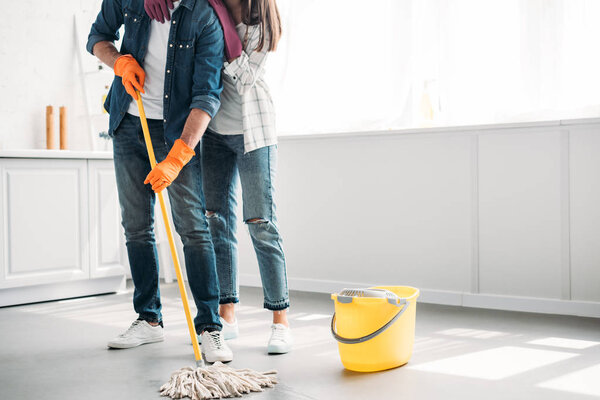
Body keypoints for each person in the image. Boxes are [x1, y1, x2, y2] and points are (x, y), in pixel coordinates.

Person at [87, 0, 233, 363]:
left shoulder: (204, 17)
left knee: (193, 229)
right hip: (127, 123)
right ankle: (149, 320)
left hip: (176, 131)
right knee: (136, 227)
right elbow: (97, 37)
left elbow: (207, 96)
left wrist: (179, 156)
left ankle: (209, 328)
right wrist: (119, 61)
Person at [145, 0, 291, 354]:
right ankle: (228, 316)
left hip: (254, 133)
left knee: (261, 223)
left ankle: (280, 321)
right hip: (212, 134)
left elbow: (245, 75)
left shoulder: (263, 21)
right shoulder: (208, 9)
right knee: (217, 223)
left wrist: (222, 28)